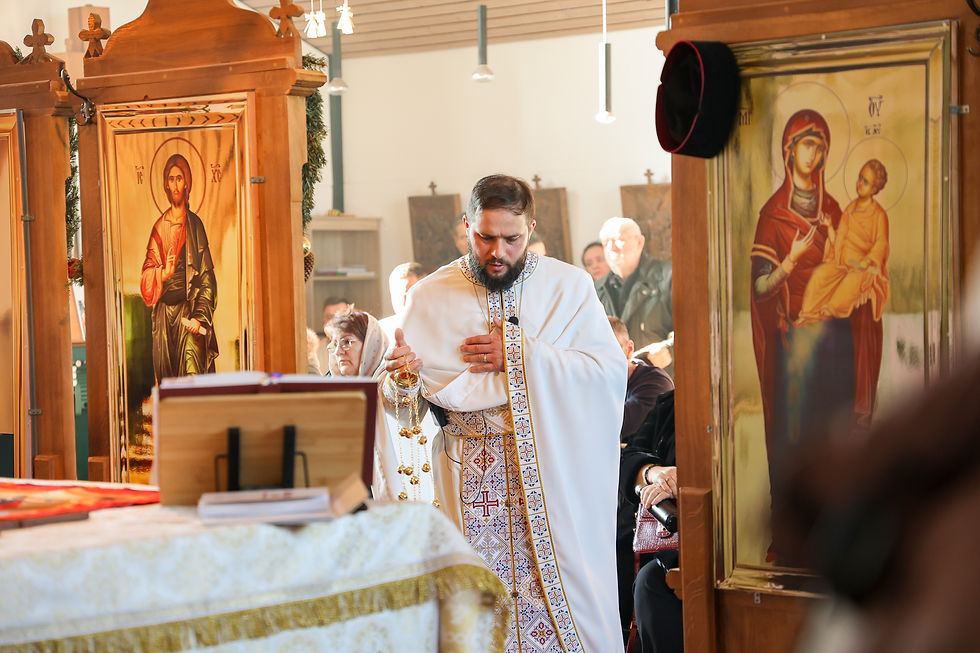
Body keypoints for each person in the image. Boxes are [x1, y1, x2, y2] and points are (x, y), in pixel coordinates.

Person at [382, 174, 626, 652]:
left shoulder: (569, 287)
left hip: (551, 480)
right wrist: (402, 378)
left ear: (530, 228)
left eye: (512, 239)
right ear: (466, 226)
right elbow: (402, 409)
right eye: (485, 236)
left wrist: (519, 352)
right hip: (465, 476)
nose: (498, 251)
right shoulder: (428, 297)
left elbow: (606, 375)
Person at [750, 110, 851, 558]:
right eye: (808, 144)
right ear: (790, 151)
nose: (816, 153)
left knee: (833, 431)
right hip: (792, 344)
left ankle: (838, 529)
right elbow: (758, 288)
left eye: (822, 146)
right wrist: (790, 261)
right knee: (795, 436)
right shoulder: (772, 216)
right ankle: (794, 536)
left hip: (831, 338)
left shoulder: (834, 211)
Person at [796, 158, 890, 425]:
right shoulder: (850, 210)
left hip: (863, 268)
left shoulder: (878, 214)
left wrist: (868, 262)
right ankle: (810, 311)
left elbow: (881, 244)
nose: (860, 184)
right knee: (820, 276)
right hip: (843, 263)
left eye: (866, 181)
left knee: (851, 285)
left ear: (876, 187)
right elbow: (840, 244)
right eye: (860, 177)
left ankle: (830, 309)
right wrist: (829, 229)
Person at [609, 316, 674, 642]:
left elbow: (624, 426)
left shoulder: (655, 384)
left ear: (629, 349)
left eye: (608, 351)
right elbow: (630, 455)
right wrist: (649, 471)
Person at [140, 153, 218, 383]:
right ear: (165, 185)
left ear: (187, 184)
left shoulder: (195, 226)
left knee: (192, 376)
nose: (175, 184)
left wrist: (199, 317)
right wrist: (162, 274)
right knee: (169, 383)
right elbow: (146, 276)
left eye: (179, 178)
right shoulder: (159, 227)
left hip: (189, 312)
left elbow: (207, 277)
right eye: (171, 179)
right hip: (164, 317)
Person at [620, 390, 681, 653]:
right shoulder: (671, 403)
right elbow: (627, 457)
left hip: (709, 535)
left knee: (651, 583)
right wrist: (654, 473)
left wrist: (686, 483)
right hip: (655, 529)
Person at [595, 217, 673, 371]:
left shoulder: (669, 276)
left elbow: (693, 326)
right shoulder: (596, 289)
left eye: (618, 239)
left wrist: (669, 348)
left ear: (639, 242)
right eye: (606, 242)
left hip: (663, 382)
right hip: (618, 387)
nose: (612, 247)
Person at [324, 310, 388, 377]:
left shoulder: (392, 384)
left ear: (371, 346)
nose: (337, 352)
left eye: (347, 342)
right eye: (335, 345)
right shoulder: (326, 384)